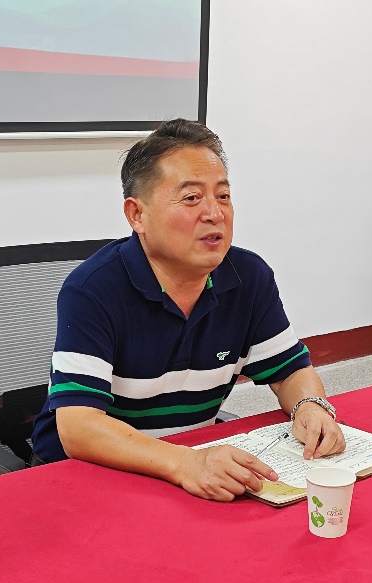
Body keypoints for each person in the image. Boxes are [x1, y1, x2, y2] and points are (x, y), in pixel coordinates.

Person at [31, 118, 345, 501]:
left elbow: (290, 371)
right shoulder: (92, 289)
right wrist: (183, 463)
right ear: (137, 215)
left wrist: (310, 407)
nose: (215, 213)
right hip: (90, 476)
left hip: (188, 465)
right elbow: (78, 427)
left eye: (223, 196)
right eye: (192, 198)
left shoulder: (248, 277)